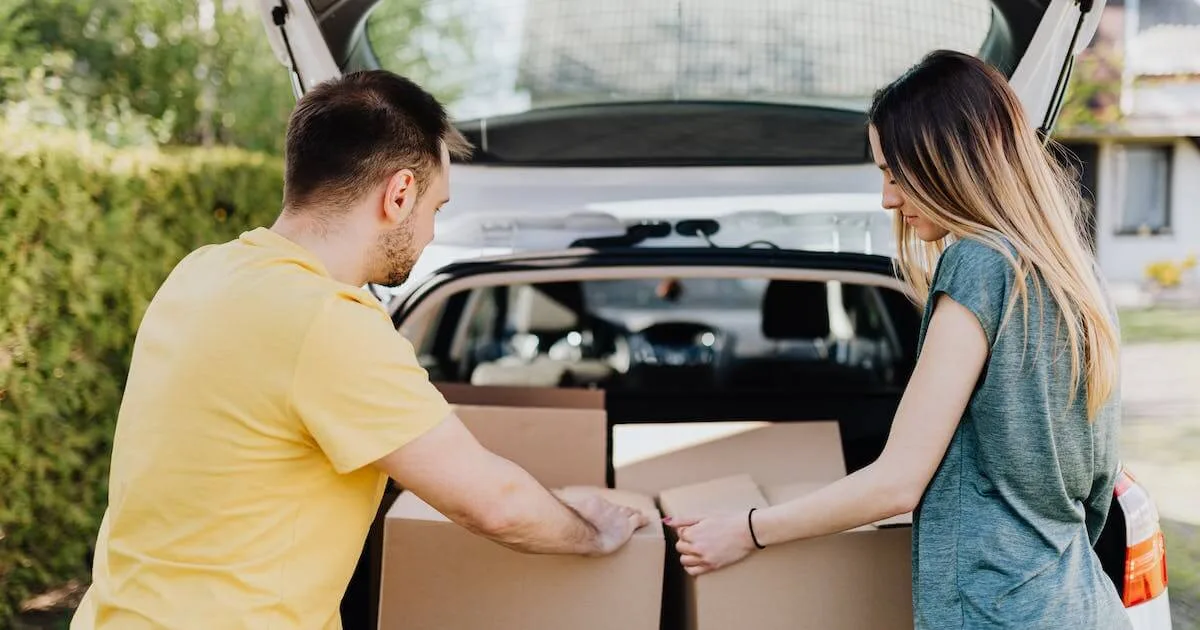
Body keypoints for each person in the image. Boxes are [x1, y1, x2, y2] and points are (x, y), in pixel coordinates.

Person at [71, 70, 648, 630]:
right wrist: (594, 531)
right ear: (399, 193)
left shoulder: (201, 271)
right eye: (436, 208)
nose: (429, 233)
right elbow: (491, 503)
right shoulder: (329, 323)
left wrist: (554, 499)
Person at [666, 50, 1131, 629]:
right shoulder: (1073, 280)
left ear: (950, 162)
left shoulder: (979, 265)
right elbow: (1096, 490)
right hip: (1082, 605)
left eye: (895, 173)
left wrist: (748, 530)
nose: (888, 198)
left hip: (998, 615)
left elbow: (897, 483)